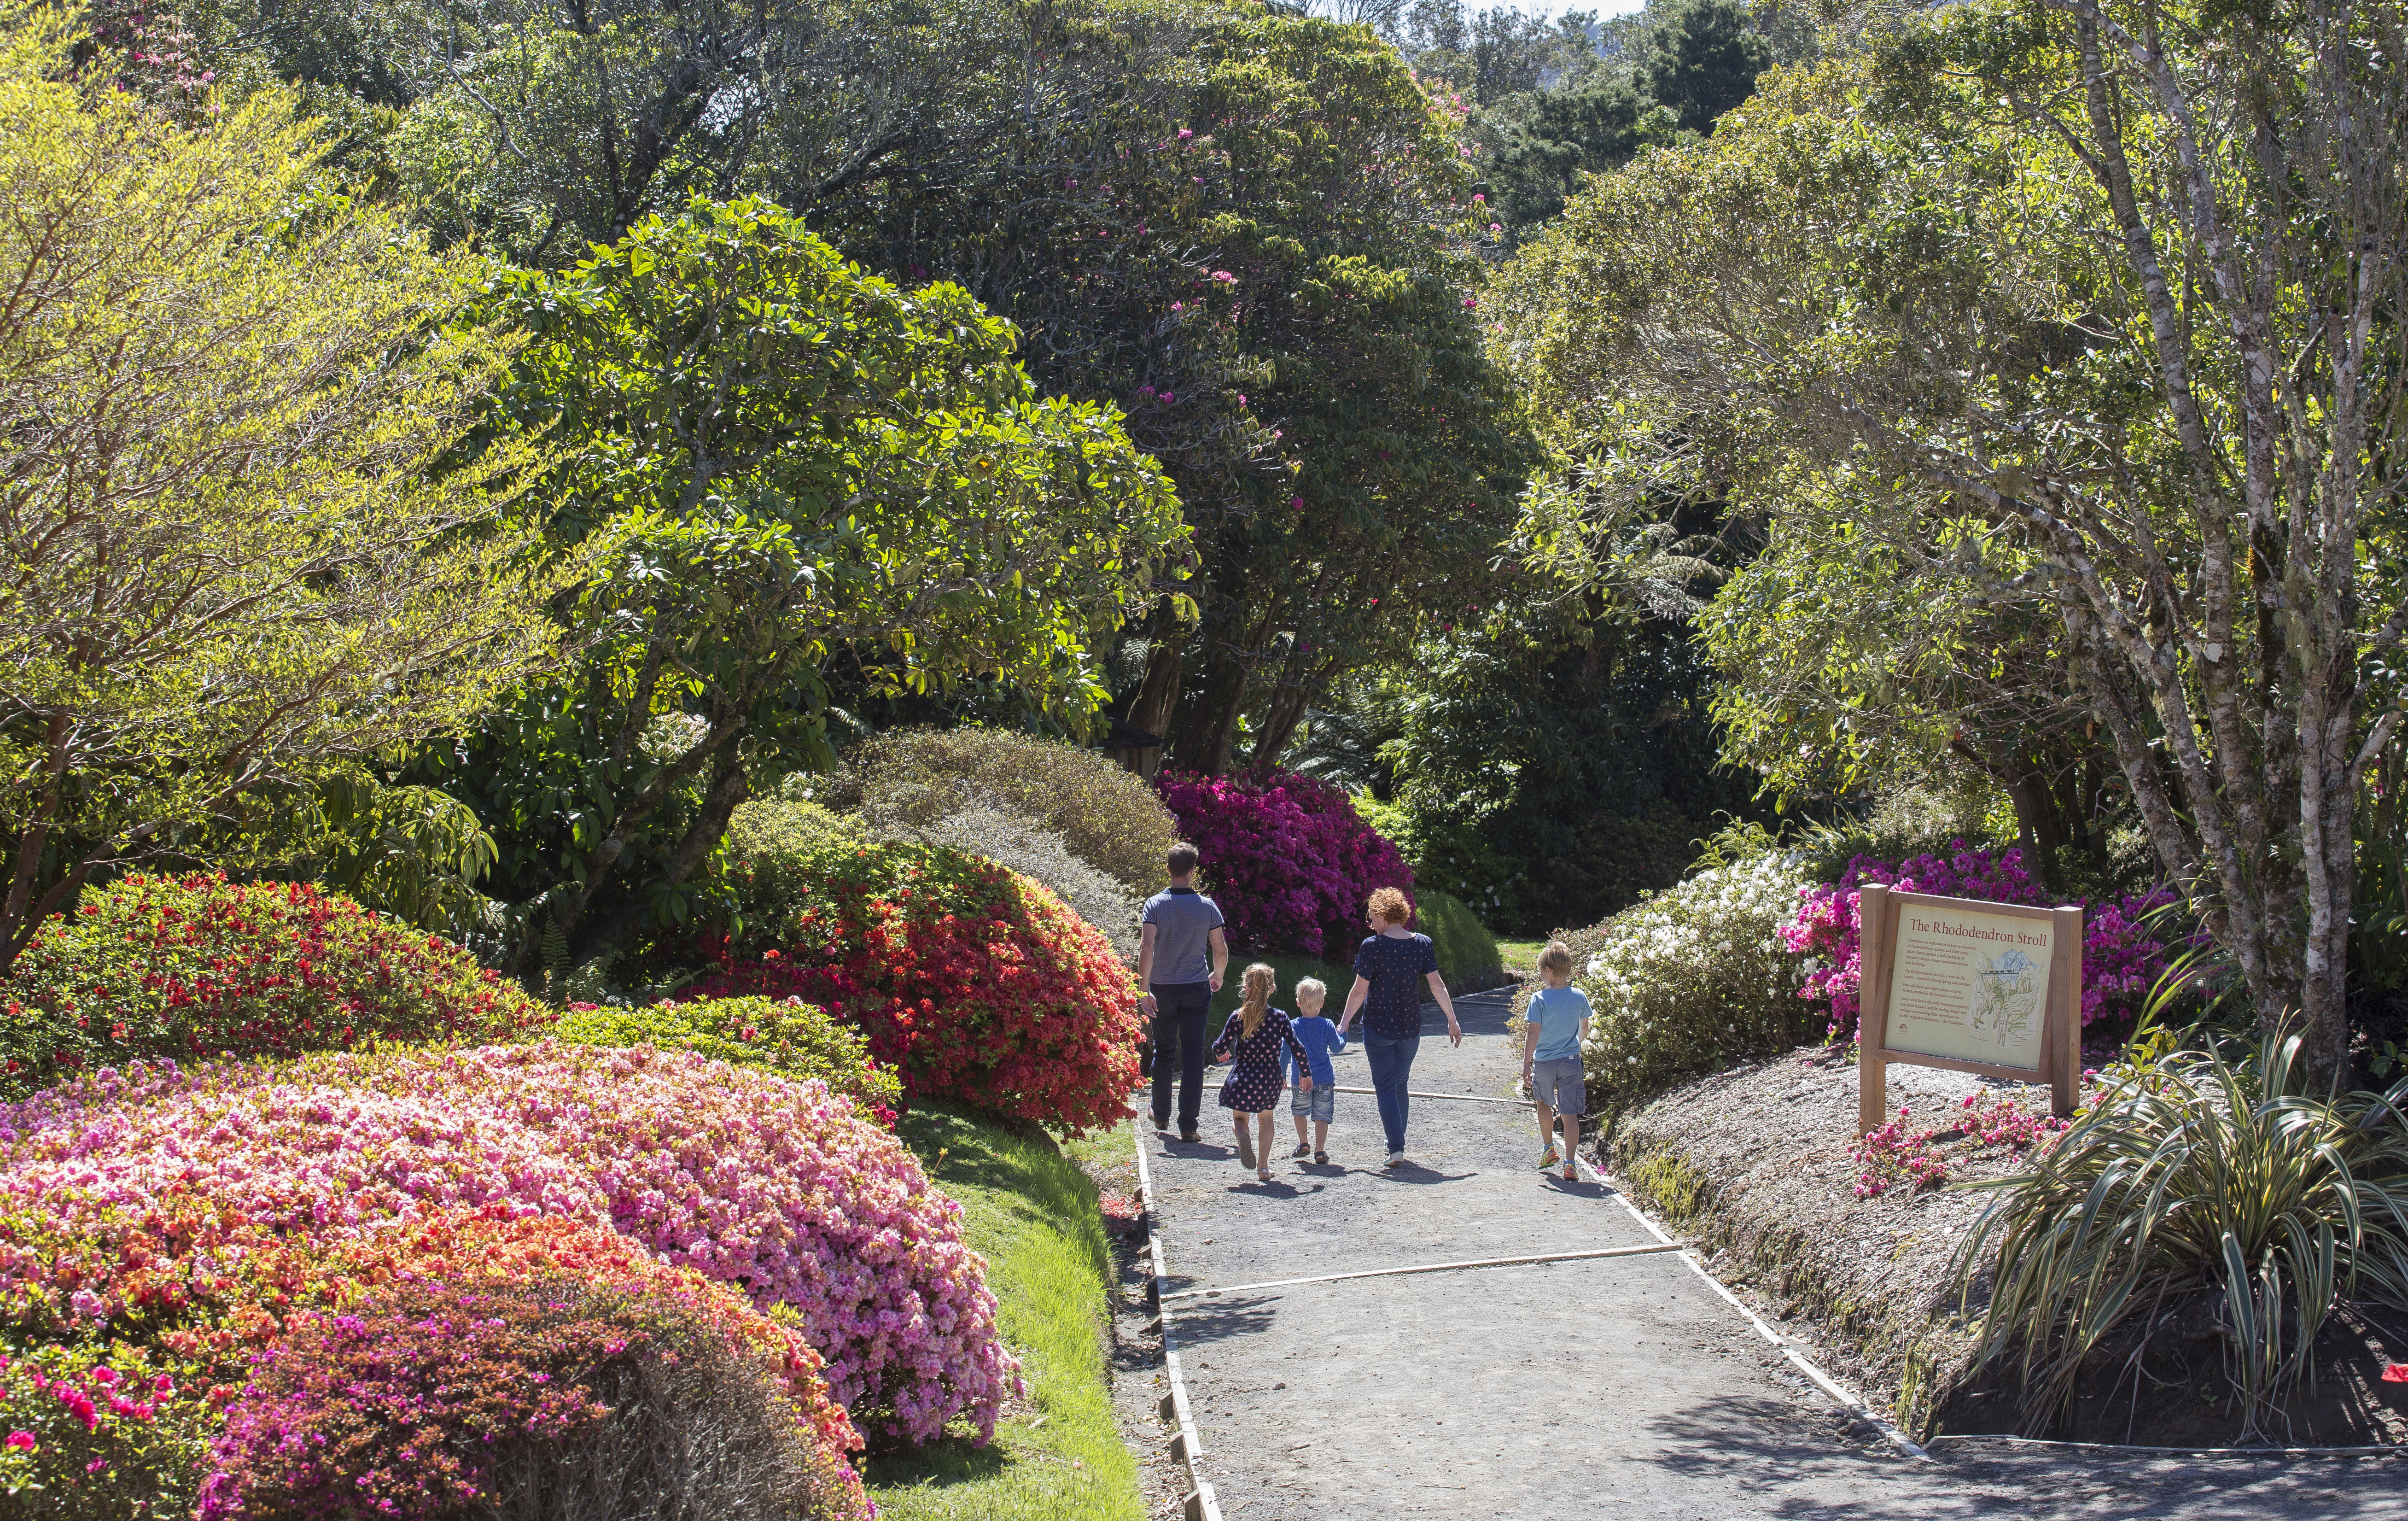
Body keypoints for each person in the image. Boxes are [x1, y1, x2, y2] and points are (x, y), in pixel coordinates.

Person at [1336, 886, 1459, 1169]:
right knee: (1400, 1084)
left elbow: (1359, 991)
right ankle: (1397, 1141)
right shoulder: (1423, 943)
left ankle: (1396, 1147)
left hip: (1378, 1027)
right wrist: (1452, 1020)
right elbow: (1436, 984)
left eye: (1371, 918)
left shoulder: (1372, 946)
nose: (1370, 924)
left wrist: (1343, 1024)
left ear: (1382, 913)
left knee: (1385, 1087)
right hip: (1410, 1029)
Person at [1138, 841, 1229, 1142]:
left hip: (1163, 989)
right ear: (1192, 871)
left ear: (1168, 868)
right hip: (1195, 987)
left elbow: (1147, 946)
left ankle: (1160, 1114)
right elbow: (1220, 949)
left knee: (1164, 1052)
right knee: (1192, 1056)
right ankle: (1188, 1125)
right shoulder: (1207, 907)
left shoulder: (1154, 905)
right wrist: (1218, 974)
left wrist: (1144, 989)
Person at [1212, 962, 1313, 1183]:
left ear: (1246, 988)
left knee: (1240, 1118)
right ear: (1272, 989)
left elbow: (1221, 1046)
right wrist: (1305, 1073)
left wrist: (1221, 1053)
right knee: (1266, 1118)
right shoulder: (1280, 1017)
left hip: (1244, 1074)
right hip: (1270, 1075)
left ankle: (1243, 1137)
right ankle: (1263, 1168)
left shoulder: (1238, 1016)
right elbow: (1297, 1047)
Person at [1522, 940, 1592, 1182]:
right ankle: (1570, 1163)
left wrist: (1526, 1064)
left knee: (1543, 1103)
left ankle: (1549, 1148)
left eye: (1541, 970)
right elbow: (1584, 1027)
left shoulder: (1539, 999)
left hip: (1544, 1062)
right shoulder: (1579, 996)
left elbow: (1533, 1033)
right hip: (1571, 1060)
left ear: (1549, 971)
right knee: (1570, 1114)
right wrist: (1574, 1045)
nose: (1540, 975)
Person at [1281, 977, 1347, 1164]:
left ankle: (1303, 1143)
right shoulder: (1327, 1025)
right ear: (1322, 1003)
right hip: (1324, 1078)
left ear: (1298, 1003)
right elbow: (1336, 1048)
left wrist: (1281, 1073)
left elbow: (1285, 1053)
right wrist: (1344, 1034)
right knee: (1322, 1115)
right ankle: (1320, 1151)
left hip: (1299, 1080)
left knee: (1300, 1110)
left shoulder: (1292, 1026)